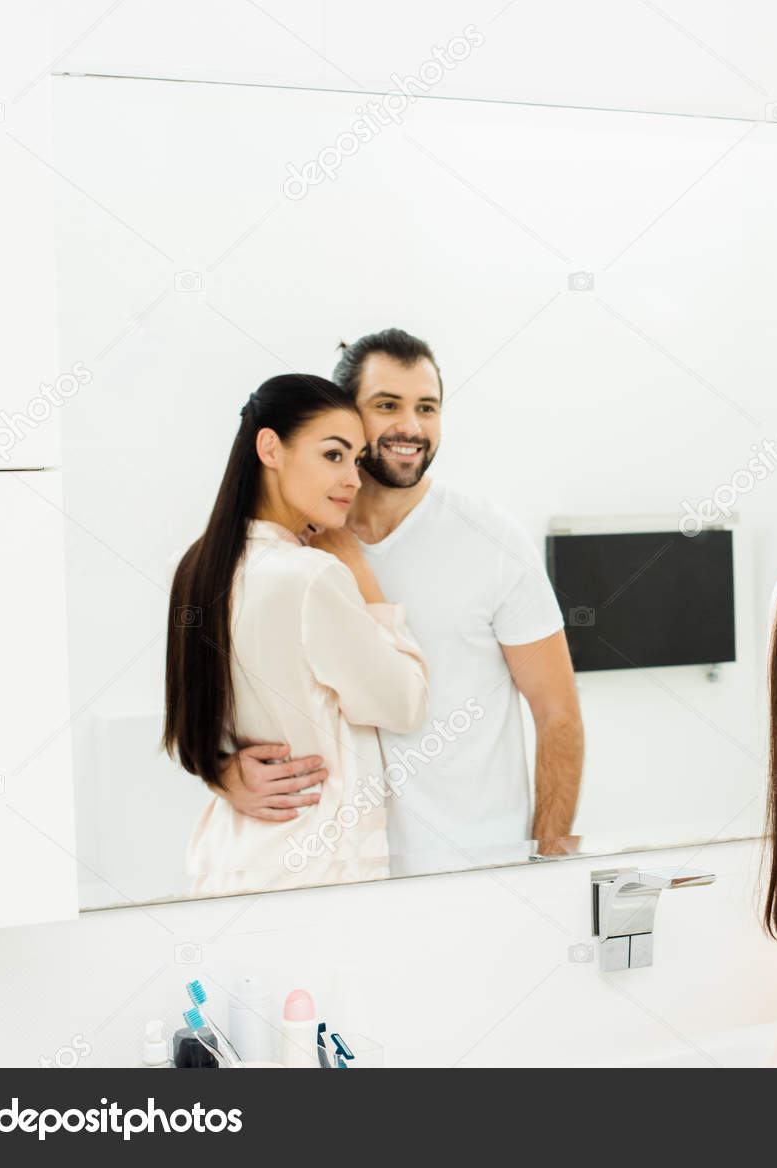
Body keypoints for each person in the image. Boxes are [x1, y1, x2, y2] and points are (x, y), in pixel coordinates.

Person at [211, 330, 584, 871]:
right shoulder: (291, 554)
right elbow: (228, 702)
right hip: (343, 871)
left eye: (427, 407)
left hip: (478, 867)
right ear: (347, 415)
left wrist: (549, 862)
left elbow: (558, 714)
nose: (411, 427)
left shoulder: (492, 538)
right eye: (387, 405)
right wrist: (222, 771)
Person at [164, 373, 430, 895]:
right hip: (315, 867)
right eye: (333, 455)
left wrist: (223, 772)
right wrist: (361, 574)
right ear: (270, 448)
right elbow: (405, 704)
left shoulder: (194, 566)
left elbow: (192, 725)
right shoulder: (313, 576)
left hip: (228, 859)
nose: (354, 479)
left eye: (356, 459)